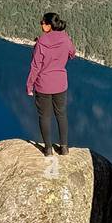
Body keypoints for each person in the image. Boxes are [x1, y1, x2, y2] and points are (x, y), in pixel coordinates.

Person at [26, 12, 76, 157]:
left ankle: (48, 149)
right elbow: (72, 53)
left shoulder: (41, 42)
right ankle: (64, 148)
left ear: (48, 25)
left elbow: (35, 66)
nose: (41, 24)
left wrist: (29, 86)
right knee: (61, 115)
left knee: (45, 116)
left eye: (42, 22)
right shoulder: (65, 38)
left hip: (43, 85)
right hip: (60, 84)